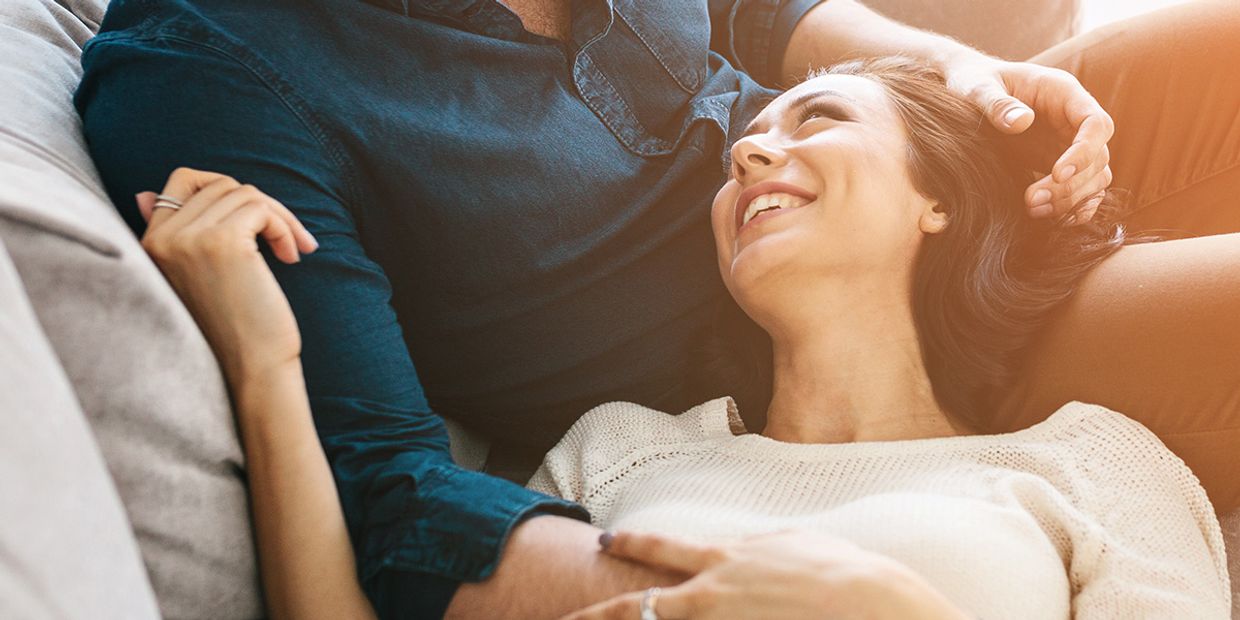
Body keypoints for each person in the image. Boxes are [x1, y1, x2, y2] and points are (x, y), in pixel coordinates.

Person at [75, 0, 1240, 617]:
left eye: (787, 122)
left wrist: (934, 71)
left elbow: (754, 12)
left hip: (895, 191)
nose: (742, 145)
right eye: (762, 129)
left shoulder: (1099, 480)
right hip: (814, 321)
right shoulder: (210, 59)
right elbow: (386, 490)